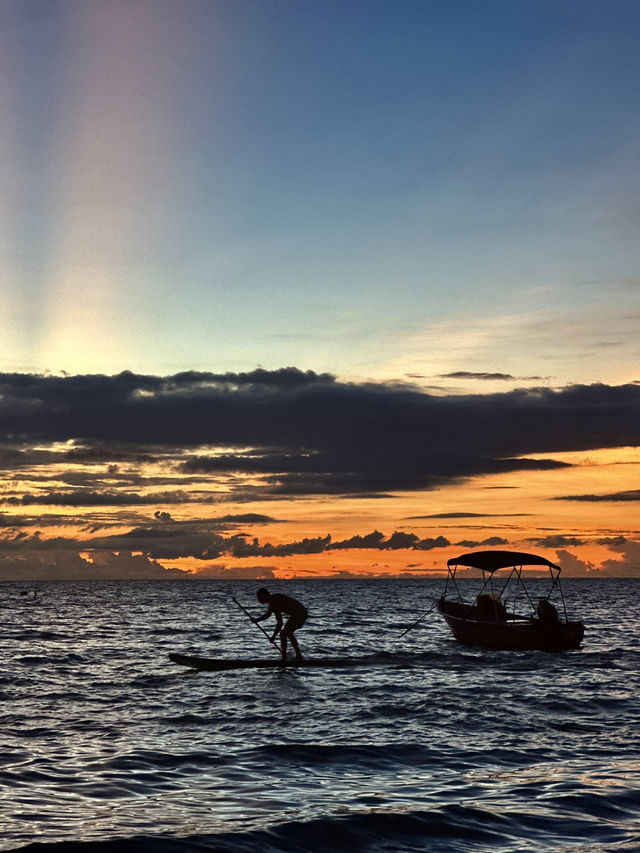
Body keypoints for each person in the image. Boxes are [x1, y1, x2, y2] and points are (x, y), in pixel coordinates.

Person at [253, 588, 307, 661]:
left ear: (264, 596)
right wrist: (273, 637)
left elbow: (267, 615)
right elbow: (280, 623)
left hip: (300, 613)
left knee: (284, 633)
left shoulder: (274, 600)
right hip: (298, 614)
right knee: (287, 633)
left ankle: (287, 656)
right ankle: (294, 655)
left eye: (259, 597)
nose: (258, 600)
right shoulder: (274, 606)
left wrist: (256, 620)